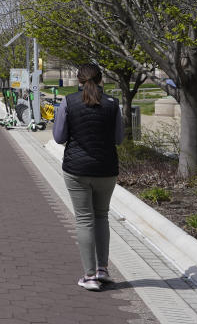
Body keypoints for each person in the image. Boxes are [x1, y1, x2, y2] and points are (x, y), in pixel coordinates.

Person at [53, 63, 124, 291]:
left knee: (84, 219)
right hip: (106, 169)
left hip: (77, 170)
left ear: (78, 80)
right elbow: (119, 139)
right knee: (102, 216)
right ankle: (103, 269)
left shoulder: (68, 102)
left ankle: (90, 275)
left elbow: (59, 137)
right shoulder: (113, 103)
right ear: (101, 79)